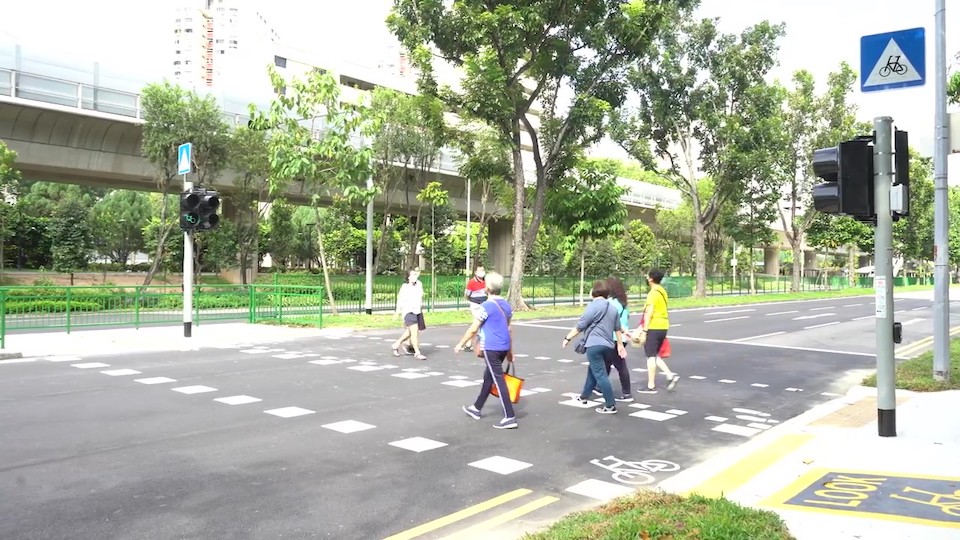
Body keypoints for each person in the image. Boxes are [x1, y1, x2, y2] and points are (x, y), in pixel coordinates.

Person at [454, 272, 517, 429]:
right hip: (503, 347)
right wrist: (510, 352)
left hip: (491, 347)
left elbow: (473, 328)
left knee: (498, 380)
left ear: (487, 289)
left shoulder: (486, 307)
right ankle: (476, 408)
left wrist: (461, 343)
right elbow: (508, 329)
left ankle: (510, 416)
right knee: (489, 377)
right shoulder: (506, 305)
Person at [562, 280, 627, 414]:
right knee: (593, 370)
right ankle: (584, 396)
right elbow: (617, 329)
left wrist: (567, 338)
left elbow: (580, 325)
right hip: (609, 345)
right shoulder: (612, 308)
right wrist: (620, 345)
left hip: (594, 345)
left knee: (601, 375)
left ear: (594, 292)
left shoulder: (593, 306)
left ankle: (610, 405)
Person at [634, 269, 679, 393]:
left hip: (653, 326)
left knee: (650, 356)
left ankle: (651, 385)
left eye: (647, 276)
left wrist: (644, 330)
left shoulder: (653, 293)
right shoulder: (662, 291)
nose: (646, 277)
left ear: (651, 278)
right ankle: (670, 375)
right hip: (663, 325)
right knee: (654, 354)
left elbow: (649, 312)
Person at [593, 276, 632, 402]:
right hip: (622, 338)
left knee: (619, 365)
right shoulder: (623, 303)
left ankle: (627, 393)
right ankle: (599, 387)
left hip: (613, 337)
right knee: (607, 362)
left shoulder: (610, 302)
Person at [392, 268, 427, 360]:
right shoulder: (405, 287)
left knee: (410, 332)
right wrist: (397, 313)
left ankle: (396, 344)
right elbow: (400, 301)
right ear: (408, 277)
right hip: (408, 312)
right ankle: (417, 352)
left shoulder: (419, 284)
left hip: (417, 311)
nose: (415, 276)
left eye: (415, 274)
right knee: (414, 333)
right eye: (413, 275)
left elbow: (420, 296)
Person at [462, 265, 488, 351]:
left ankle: (469, 344)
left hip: (484, 305)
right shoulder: (472, 282)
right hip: (476, 305)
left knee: (478, 325)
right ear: (476, 272)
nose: (482, 272)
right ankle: (469, 343)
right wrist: (473, 300)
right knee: (477, 324)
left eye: (483, 270)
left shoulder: (485, 281)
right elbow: (467, 294)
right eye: (480, 270)